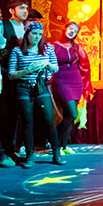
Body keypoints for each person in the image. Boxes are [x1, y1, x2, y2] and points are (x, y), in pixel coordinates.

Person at [9, 22, 64, 168]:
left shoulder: (47, 49)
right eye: (34, 33)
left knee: (49, 119)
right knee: (27, 121)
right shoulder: (17, 50)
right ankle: (29, 155)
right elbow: (11, 75)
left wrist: (47, 65)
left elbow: (55, 68)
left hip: (41, 86)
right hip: (24, 87)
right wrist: (27, 70)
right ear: (27, 33)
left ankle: (56, 153)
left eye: (40, 34)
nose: (37, 37)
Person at [0, 0, 29, 167]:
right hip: (6, 75)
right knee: (4, 114)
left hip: (23, 76)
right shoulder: (3, 26)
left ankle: (11, 149)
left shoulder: (28, 27)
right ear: (11, 10)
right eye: (21, 8)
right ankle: (0, 150)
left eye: (26, 8)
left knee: (17, 115)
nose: (25, 11)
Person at [52, 21, 92, 154]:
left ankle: (63, 146)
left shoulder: (77, 47)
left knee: (69, 115)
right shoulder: (53, 46)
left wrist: (87, 84)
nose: (72, 31)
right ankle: (55, 144)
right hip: (62, 81)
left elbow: (86, 65)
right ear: (64, 29)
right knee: (73, 114)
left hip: (76, 82)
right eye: (70, 28)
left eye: (75, 30)